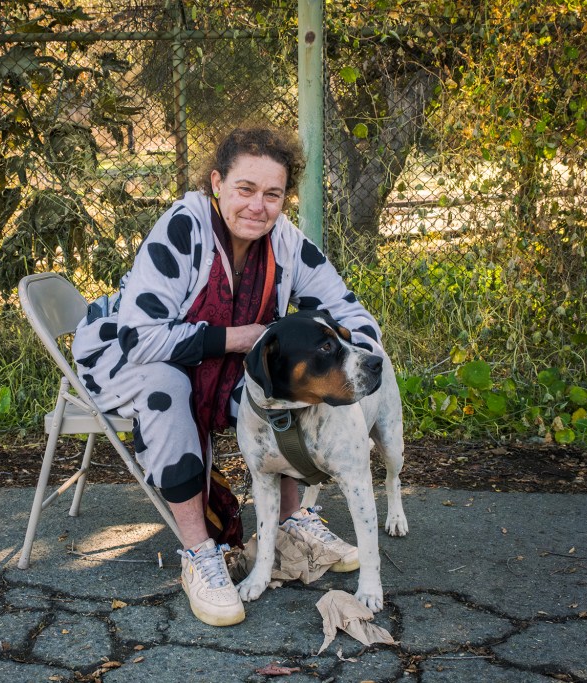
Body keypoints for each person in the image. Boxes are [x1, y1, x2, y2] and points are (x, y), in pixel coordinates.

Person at [71, 126, 384, 627]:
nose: (258, 206)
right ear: (217, 184)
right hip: (123, 359)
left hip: (211, 364)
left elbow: (349, 310)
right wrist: (239, 338)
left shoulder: (284, 241)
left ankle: (289, 525)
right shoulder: (183, 226)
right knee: (168, 386)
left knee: (280, 386)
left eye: (273, 194)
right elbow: (138, 338)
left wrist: (359, 362)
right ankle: (200, 554)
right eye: (245, 189)